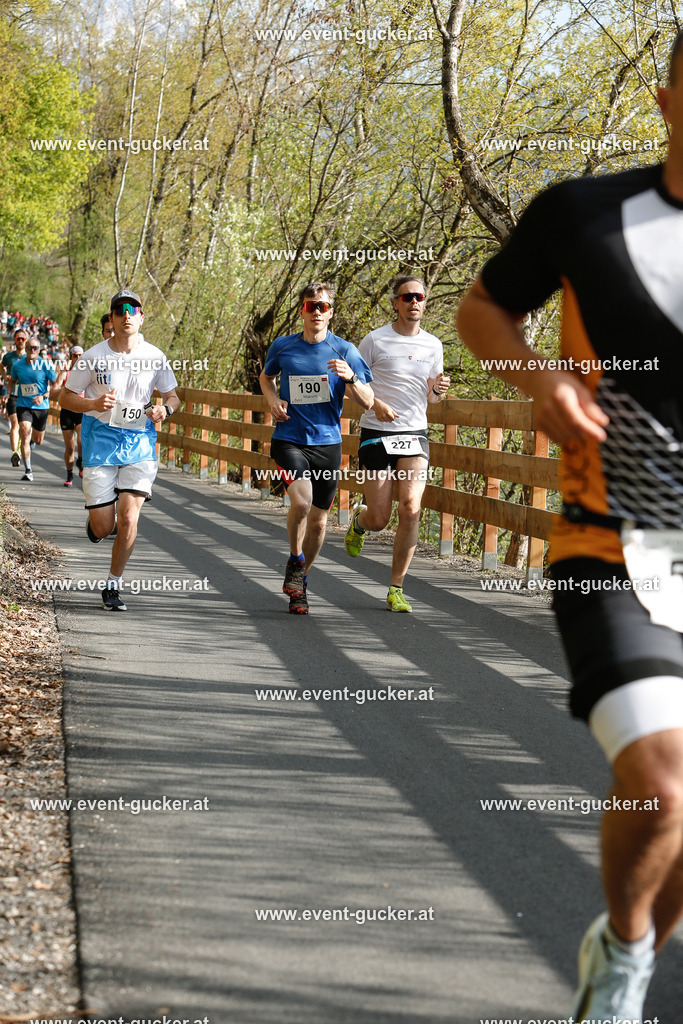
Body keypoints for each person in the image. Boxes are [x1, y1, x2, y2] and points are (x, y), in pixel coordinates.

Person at [456, 33, 683, 1023]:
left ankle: (621, 940)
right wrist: (537, 373)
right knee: (663, 782)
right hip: (612, 543)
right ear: (666, 99)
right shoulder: (583, 215)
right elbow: (480, 312)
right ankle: (626, 962)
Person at [59, 289, 179, 611]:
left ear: (141, 317)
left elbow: (173, 397)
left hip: (139, 441)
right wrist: (93, 403)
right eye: (119, 309)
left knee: (129, 516)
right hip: (100, 439)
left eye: (133, 309)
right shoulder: (93, 356)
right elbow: (66, 397)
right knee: (104, 527)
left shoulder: (155, 356)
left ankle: (113, 585)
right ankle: (97, 521)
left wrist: (164, 411)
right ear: (111, 318)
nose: (127, 314)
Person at [259, 281, 374, 614]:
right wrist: (272, 400)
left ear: (331, 312)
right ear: (302, 311)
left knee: (321, 523)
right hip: (290, 439)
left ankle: (300, 584)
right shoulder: (283, 347)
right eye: (311, 306)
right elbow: (266, 378)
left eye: (323, 306)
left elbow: (368, 401)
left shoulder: (346, 351)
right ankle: (296, 558)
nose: (317, 312)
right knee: (302, 500)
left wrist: (351, 377)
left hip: (328, 443)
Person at [344, 275, 450, 612]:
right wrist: (376, 405)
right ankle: (360, 522)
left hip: (414, 433)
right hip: (377, 432)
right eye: (407, 297)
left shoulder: (433, 345)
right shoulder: (375, 341)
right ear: (396, 303)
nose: (414, 302)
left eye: (419, 297)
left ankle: (395, 589)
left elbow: (432, 399)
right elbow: (352, 385)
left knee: (411, 507)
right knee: (380, 518)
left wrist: (438, 391)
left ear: (424, 302)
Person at [10, 336, 57, 481]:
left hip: (41, 406)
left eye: (35, 348)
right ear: (26, 348)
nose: (32, 350)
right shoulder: (17, 366)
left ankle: (31, 443)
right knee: (24, 431)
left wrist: (44, 396)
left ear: (39, 349)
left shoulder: (46, 365)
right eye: (29, 347)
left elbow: (56, 385)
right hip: (23, 405)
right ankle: (28, 470)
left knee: (38, 440)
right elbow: (12, 381)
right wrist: (8, 394)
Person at [54, 344, 85, 486]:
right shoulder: (66, 372)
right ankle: (69, 474)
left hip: (81, 409)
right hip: (67, 411)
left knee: (81, 440)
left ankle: (80, 460)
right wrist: (62, 390)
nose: (78, 358)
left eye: (80, 356)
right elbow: (56, 387)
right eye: (75, 356)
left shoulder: (87, 372)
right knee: (70, 447)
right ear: (71, 357)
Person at [2, 329, 28, 466]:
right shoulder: (9, 357)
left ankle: (21, 446)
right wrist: (5, 375)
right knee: (15, 423)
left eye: (23, 339)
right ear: (15, 340)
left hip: (27, 396)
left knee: (25, 427)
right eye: (18, 339)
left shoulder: (30, 357)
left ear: (26, 341)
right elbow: (1, 366)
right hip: (12, 394)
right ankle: (15, 453)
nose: (20, 341)